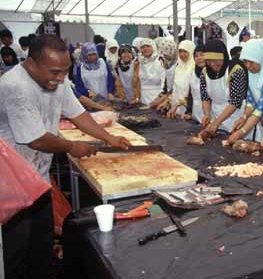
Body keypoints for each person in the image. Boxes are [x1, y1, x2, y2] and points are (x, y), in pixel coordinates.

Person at [0, 34, 130, 278]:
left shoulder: (58, 79)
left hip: (37, 179)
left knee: (41, 245)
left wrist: (108, 138)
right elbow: (35, 138)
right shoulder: (14, 85)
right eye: (54, 72)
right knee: (15, 252)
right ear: (31, 64)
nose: (60, 79)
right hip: (9, 186)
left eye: (64, 72)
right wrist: (72, 146)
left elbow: (78, 114)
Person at [228, 39, 263, 144]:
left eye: (251, 62)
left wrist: (242, 131)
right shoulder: (252, 73)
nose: (247, 66)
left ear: (260, 58)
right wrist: (243, 117)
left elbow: (261, 106)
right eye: (245, 62)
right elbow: (251, 102)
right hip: (262, 124)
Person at [200, 39, 248, 134]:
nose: (212, 64)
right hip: (215, 119)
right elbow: (205, 97)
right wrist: (207, 114)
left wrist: (217, 122)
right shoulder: (205, 72)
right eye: (209, 61)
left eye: (216, 60)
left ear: (224, 57)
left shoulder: (235, 70)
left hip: (235, 120)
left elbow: (235, 101)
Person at [166, 40, 196, 118]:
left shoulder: (194, 68)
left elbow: (192, 92)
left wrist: (178, 104)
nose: (182, 55)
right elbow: (175, 88)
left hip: (190, 108)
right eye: (180, 51)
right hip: (176, 108)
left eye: (185, 51)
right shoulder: (178, 67)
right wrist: (169, 102)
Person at [138, 38, 165, 105]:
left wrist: (159, 99)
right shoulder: (140, 62)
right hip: (143, 100)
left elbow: (164, 83)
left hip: (157, 100)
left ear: (153, 47)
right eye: (142, 47)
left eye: (148, 46)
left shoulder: (160, 61)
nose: (145, 49)